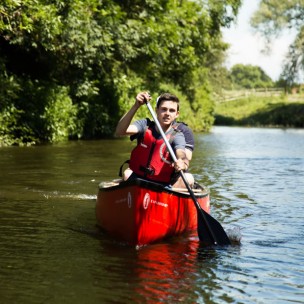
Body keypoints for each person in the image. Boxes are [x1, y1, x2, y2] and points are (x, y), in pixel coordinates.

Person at [115, 92, 194, 188]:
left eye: (172, 110)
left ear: (177, 114)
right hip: (137, 179)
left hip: (162, 185)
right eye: (164, 109)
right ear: (156, 110)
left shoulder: (178, 135)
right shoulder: (144, 125)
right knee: (127, 175)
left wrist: (182, 162)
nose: (167, 113)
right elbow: (120, 131)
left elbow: (181, 153)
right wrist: (136, 106)